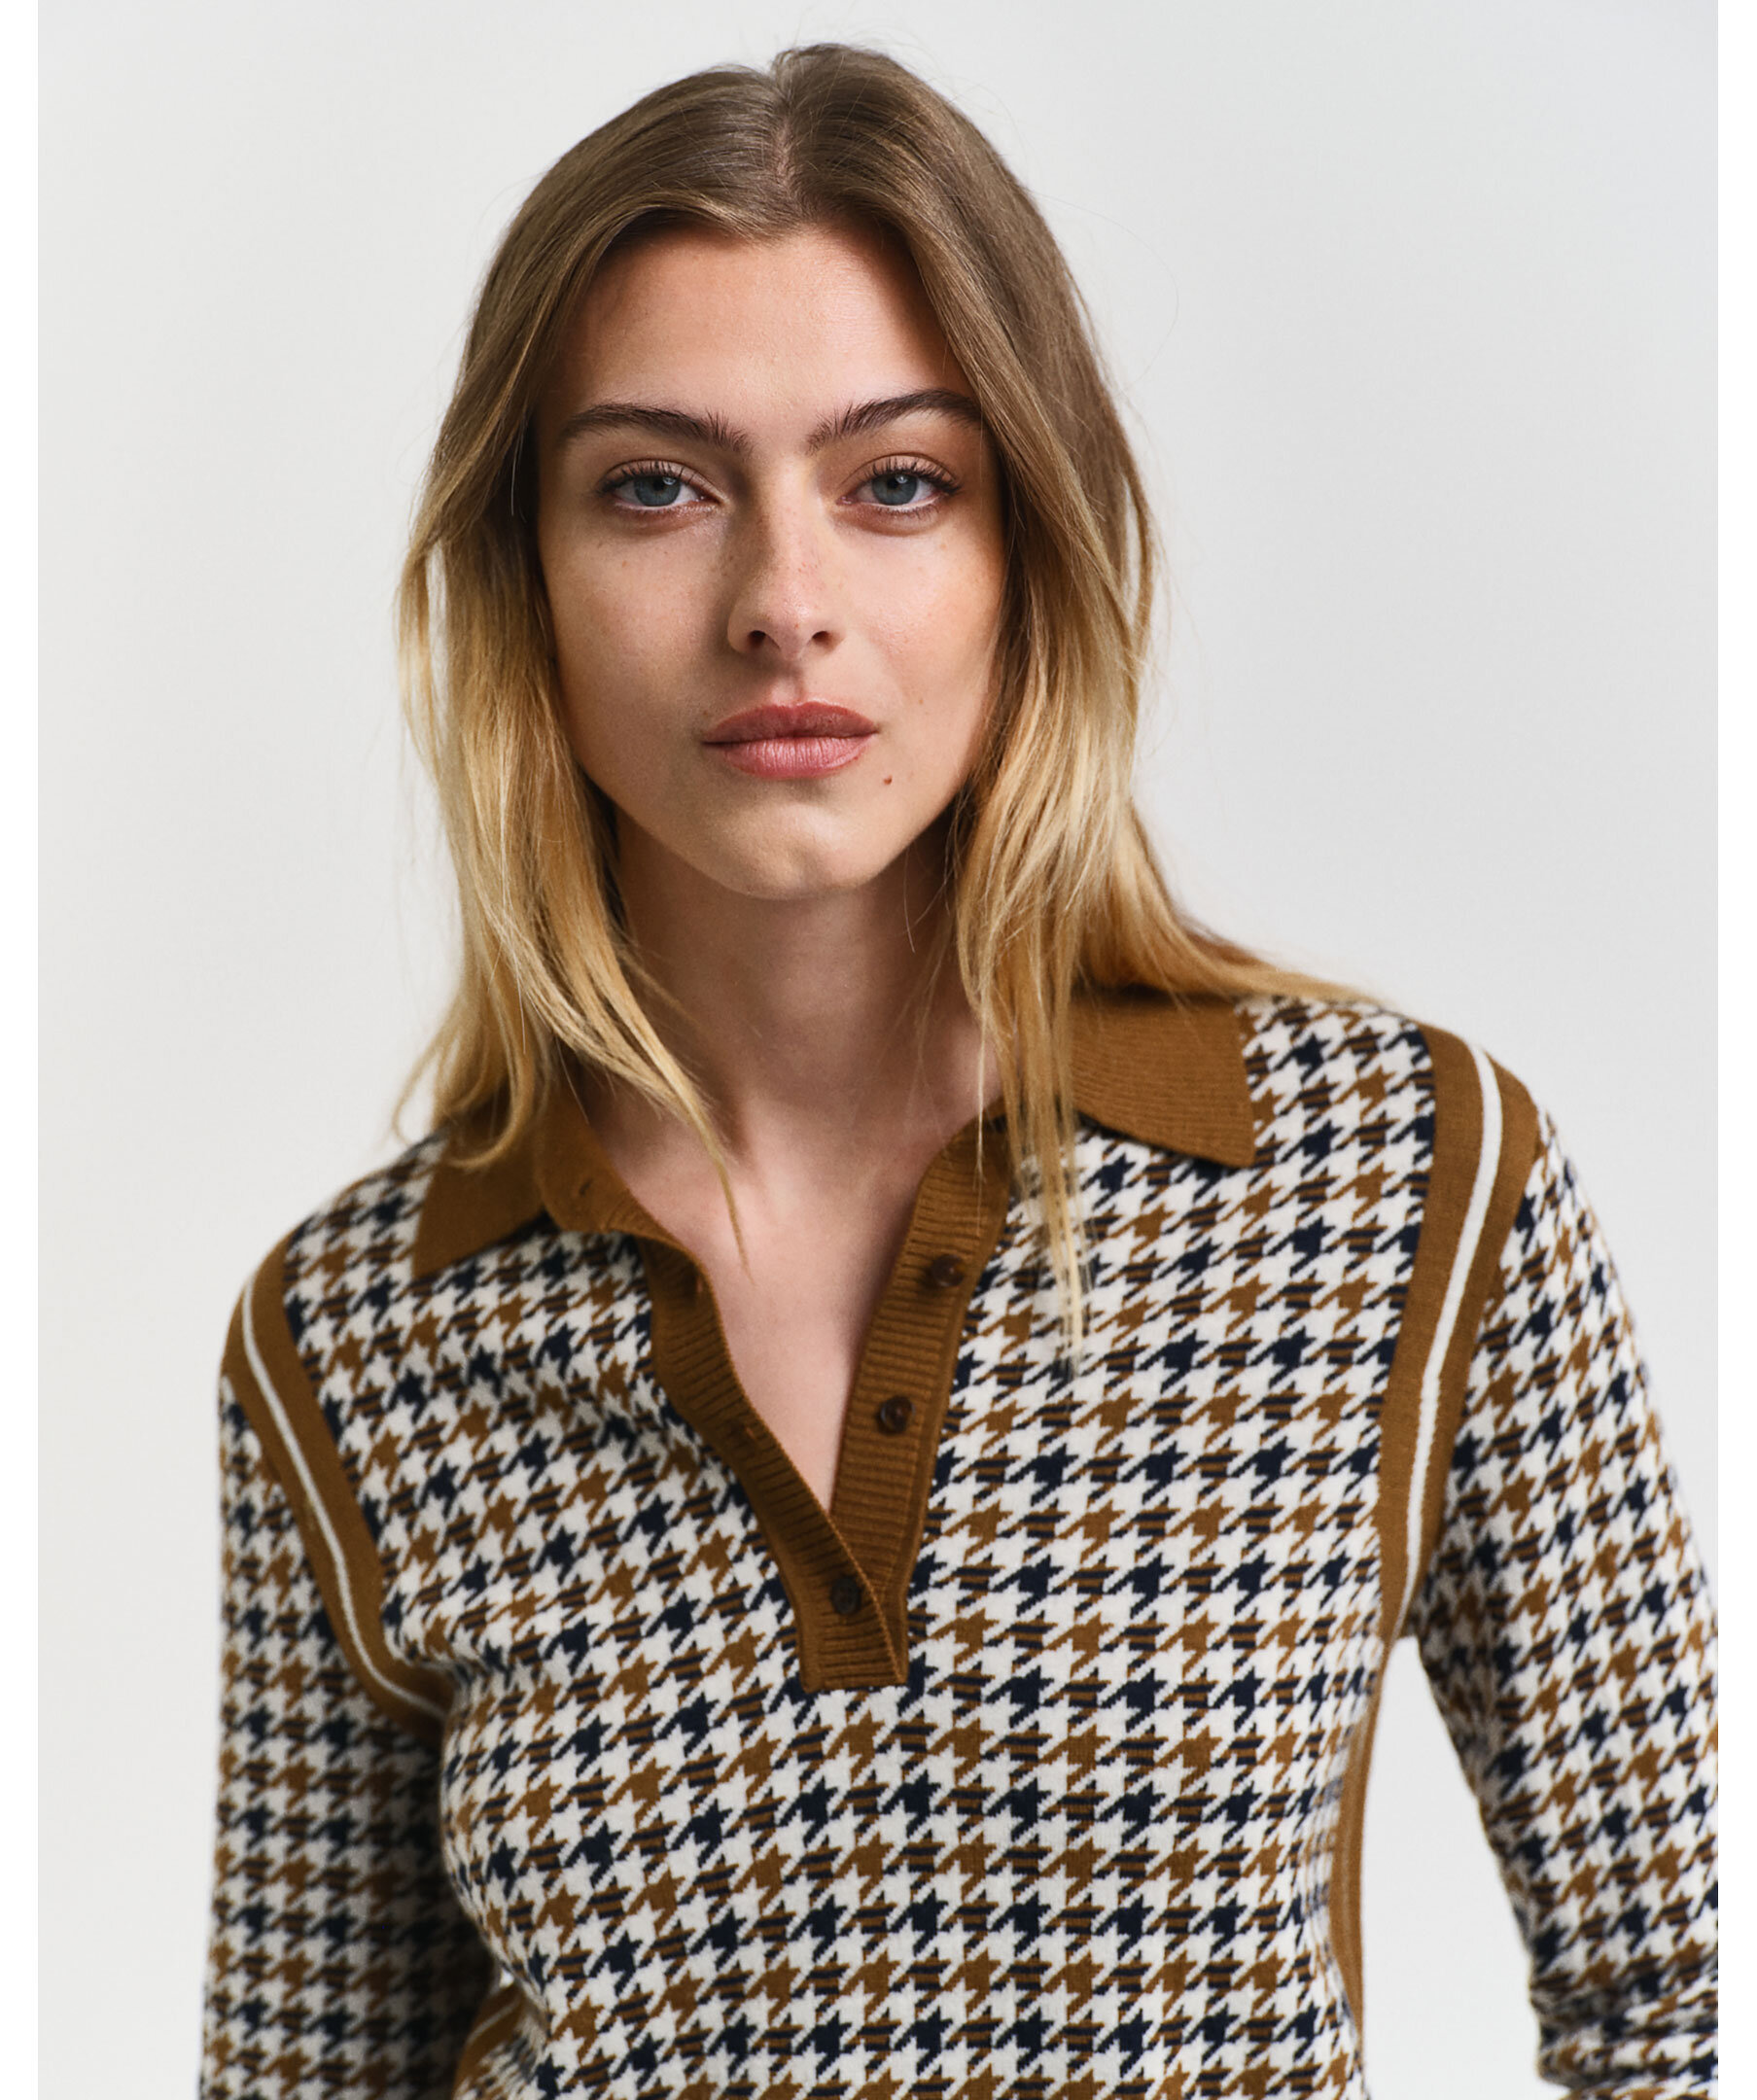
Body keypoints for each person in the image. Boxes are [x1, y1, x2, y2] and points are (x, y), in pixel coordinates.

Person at [196, 44, 1717, 2099]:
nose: (782, 606)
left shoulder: (1400, 1181)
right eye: (654, 486)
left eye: (897, 482)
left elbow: (1689, 1998)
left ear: (1030, 553)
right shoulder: (360, 1332)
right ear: (522, 581)